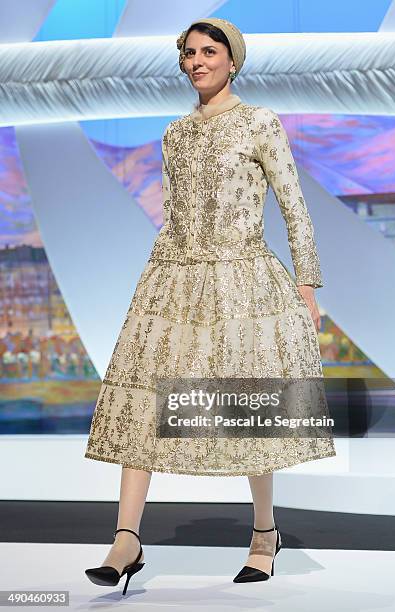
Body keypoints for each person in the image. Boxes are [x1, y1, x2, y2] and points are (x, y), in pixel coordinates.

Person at [84, 17, 336, 594]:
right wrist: (157, 279)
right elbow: (173, 213)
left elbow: (294, 206)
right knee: (146, 401)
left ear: (232, 59)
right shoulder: (174, 133)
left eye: (209, 51)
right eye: (188, 53)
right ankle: (126, 539)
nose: (197, 61)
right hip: (175, 276)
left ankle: (264, 534)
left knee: (249, 408)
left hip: (244, 279)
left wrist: (308, 284)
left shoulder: (259, 123)